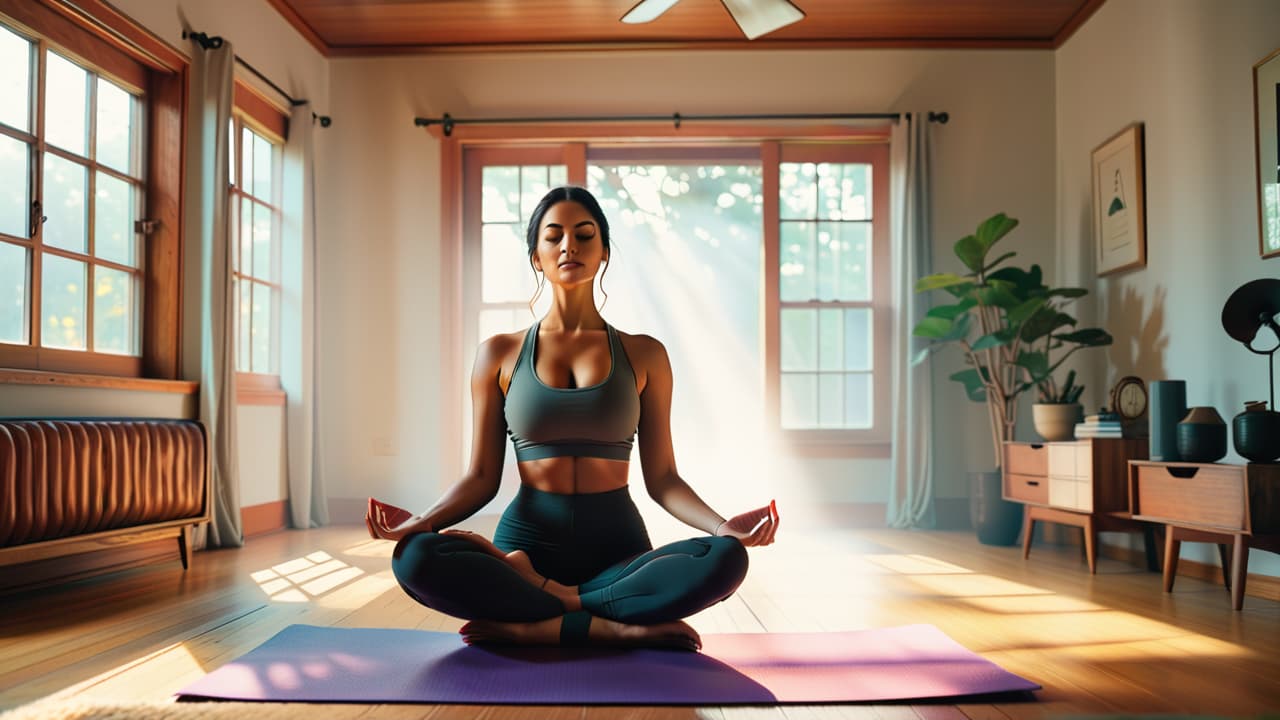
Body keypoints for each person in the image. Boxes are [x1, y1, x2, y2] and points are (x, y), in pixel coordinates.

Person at [366, 185, 779, 652]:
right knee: (415, 557)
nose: (569, 246)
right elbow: (481, 477)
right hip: (526, 542)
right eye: (554, 236)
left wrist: (724, 527)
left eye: (585, 235)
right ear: (536, 256)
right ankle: (609, 623)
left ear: (603, 252)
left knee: (726, 558)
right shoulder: (499, 354)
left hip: (619, 553)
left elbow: (662, 479)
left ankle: (546, 619)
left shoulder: (645, 354)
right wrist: (420, 524)